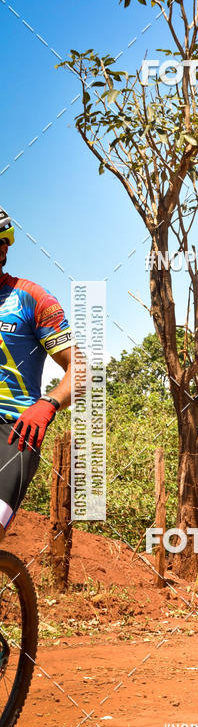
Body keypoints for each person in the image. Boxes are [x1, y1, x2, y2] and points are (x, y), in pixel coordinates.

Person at [0, 208, 73, 537]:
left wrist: (49, 403)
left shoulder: (31, 298)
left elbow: (80, 367)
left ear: (4, 247)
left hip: (14, 434)